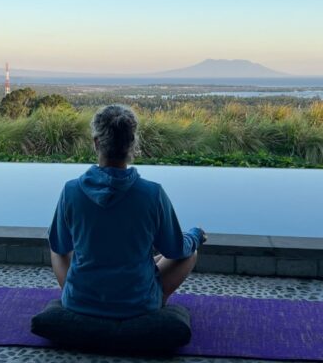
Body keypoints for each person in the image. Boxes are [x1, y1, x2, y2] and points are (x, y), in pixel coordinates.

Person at [47, 104, 206, 319]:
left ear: (96, 143)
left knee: (56, 247)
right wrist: (195, 235)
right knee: (190, 253)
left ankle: (76, 295)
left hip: (80, 301)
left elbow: (59, 245)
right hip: (138, 304)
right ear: (132, 143)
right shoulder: (152, 194)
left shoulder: (71, 191)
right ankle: (151, 303)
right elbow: (176, 250)